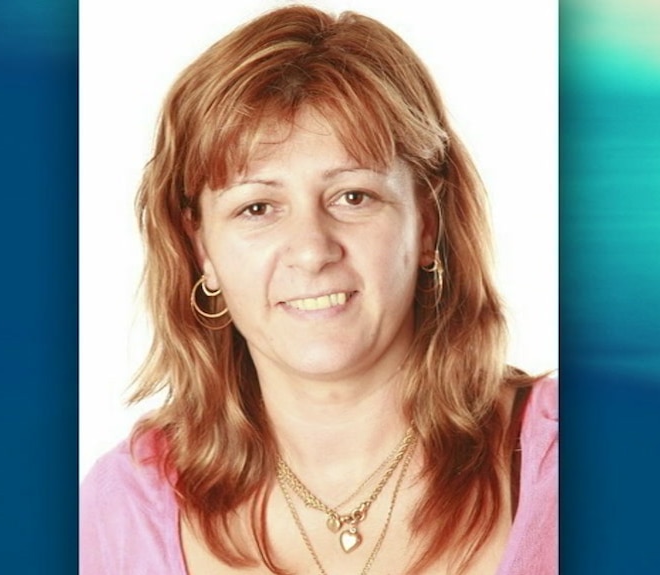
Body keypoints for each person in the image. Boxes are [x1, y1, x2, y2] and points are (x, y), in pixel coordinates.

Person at [80, 4, 557, 574]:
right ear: (201, 250)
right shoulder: (123, 508)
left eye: (353, 197)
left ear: (427, 223)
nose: (311, 249)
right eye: (257, 207)